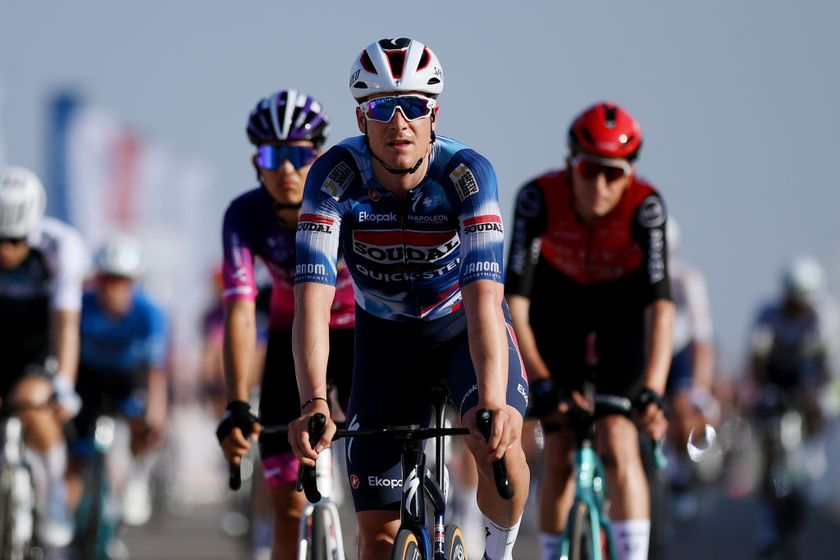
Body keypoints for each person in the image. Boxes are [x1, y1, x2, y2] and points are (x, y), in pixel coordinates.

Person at [289, 37, 530, 560]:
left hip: (461, 328)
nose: (399, 122)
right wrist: (312, 402)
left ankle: (499, 553)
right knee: (376, 539)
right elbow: (313, 302)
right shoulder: (332, 179)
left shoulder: (467, 176)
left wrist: (492, 400)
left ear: (433, 114)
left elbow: (486, 298)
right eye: (381, 107)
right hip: (385, 341)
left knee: (499, 448)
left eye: (414, 106)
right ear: (361, 119)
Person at [505, 102, 674, 560]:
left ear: (631, 175)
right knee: (558, 447)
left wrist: (654, 391)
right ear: (568, 164)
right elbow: (515, 303)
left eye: (613, 174)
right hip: (556, 314)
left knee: (618, 440)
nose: (599, 186)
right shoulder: (536, 198)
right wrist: (539, 378)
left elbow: (660, 307)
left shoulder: (647, 207)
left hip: (619, 316)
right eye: (587, 170)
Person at [215, 89, 356, 560]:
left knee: (385, 495)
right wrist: (237, 402)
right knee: (289, 508)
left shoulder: (352, 200)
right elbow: (239, 309)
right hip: (291, 340)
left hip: (363, 335)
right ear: (257, 160)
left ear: (319, 155)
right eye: (273, 155)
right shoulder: (244, 216)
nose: (288, 170)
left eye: (300, 155)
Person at [0, 165, 87, 549]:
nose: (6, 250)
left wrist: (63, 385)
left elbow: (66, 325)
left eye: (15, 241)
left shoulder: (60, 246)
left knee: (31, 403)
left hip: (39, 343)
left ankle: (54, 494)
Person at [69, 235, 169, 534]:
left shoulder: (149, 313)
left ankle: (136, 480)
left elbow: (155, 372)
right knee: (75, 448)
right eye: (107, 280)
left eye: (122, 281)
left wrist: (155, 416)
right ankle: (69, 520)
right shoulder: (81, 306)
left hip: (128, 378)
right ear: (96, 280)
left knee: (147, 427)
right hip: (87, 378)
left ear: (133, 283)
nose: (114, 288)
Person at [748, 255, 838, 557]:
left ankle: (813, 462)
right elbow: (757, 359)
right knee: (770, 442)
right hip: (776, 380)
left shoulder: (824, 315)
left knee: (822, 409)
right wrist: (765, 391)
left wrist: (815, 396)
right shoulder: (768, 313)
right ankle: (766, 525)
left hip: (810, 381)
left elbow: (828, 364)